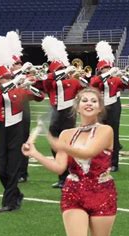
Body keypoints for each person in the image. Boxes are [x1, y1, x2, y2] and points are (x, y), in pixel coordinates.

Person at [22, 88, 116, 236]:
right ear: (77, 107)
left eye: (94, 101)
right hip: (74, 193)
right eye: (84, 100)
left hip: (103, 193)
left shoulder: (106, 131)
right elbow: (59, 168)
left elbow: (89, 152)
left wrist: (58, 144)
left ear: (100, 108)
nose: (89, 103)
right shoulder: (66, 134)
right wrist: (35, 153)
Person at [0, 35, 44, 212]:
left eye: (7, 77)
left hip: (17, 129)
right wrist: (13, 81)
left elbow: (40, 96)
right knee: (1, 170)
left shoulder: (19, 90)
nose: (5, 80)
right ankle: (16, 194)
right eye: (3, 78)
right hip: (3, 130)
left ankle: (9, 202)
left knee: (12, 168)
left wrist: (27, 85)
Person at [42, 36, 86, 188]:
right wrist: (62, 72)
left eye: (62, 69)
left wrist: (80, 75)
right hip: (55, 113)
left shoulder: (73, 81)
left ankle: (72, 175)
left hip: (68, 114)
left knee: (68, 146)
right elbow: (47, 81)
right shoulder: (51, 82)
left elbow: (87, 88)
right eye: (58, 70)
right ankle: (62, 176)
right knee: (55, 145)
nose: (62, 72)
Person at [90, 40, 129, 172]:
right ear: (100, 70)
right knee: (98, 134)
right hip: (100, 107)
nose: (107, 70)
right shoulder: (96, 78)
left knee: (113, 134)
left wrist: (125, 76)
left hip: (114, 106)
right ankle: (100, 160)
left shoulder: (115, 79)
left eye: (108, 68)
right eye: (105, 68)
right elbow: (94, 83)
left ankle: (114, 163)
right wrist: (108, 74)